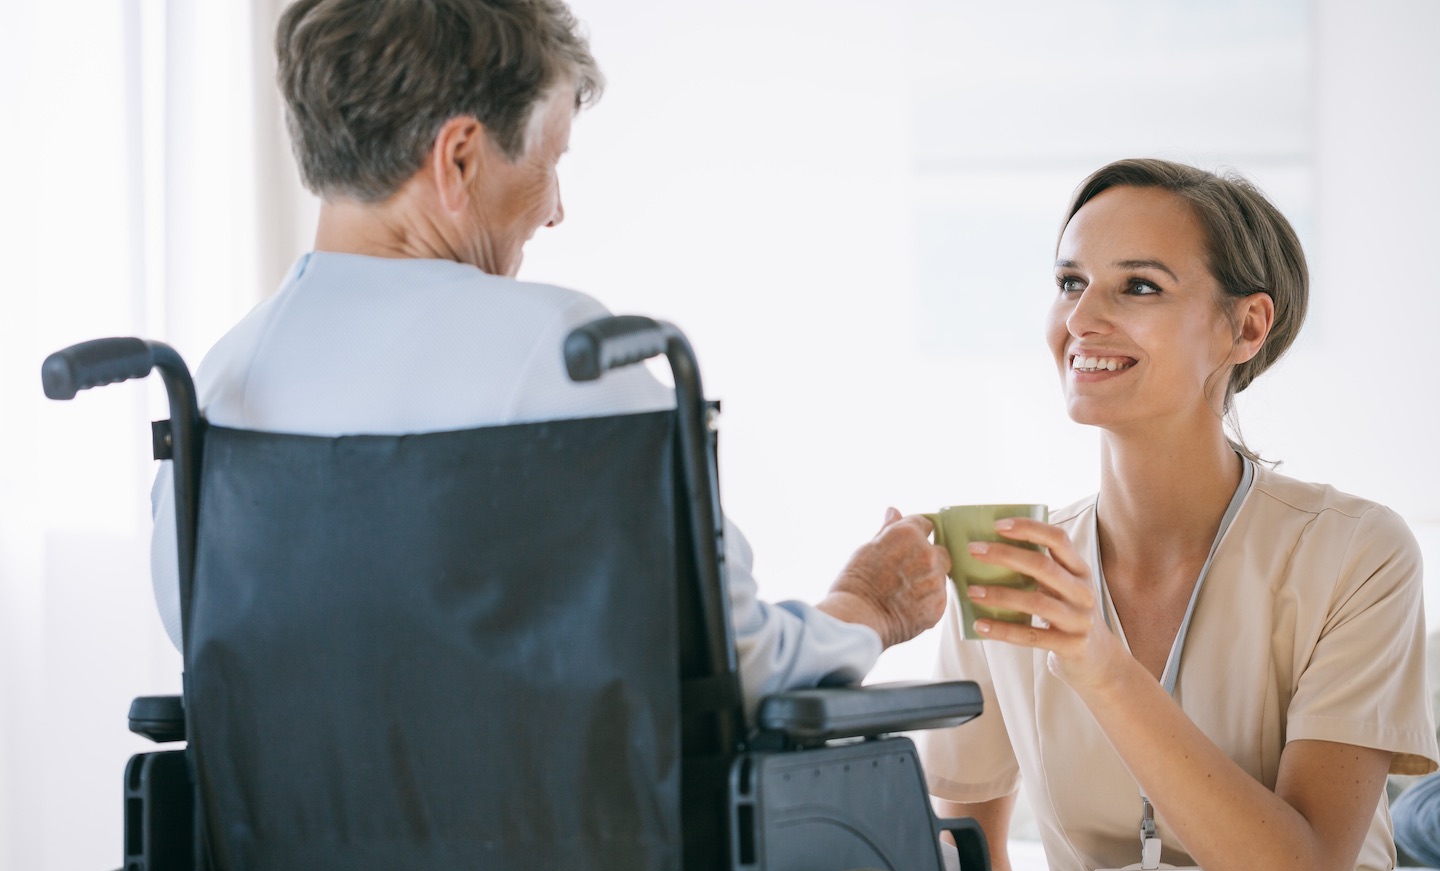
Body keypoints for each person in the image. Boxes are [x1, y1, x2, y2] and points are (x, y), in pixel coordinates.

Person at [148, 0, 950, 723]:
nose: (557, 208)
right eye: (550, 159)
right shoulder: (558, 353)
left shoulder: (221, 389)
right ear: (459, 158)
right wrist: (863, 607)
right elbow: (730, 660)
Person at [921, 158, 1440, 871]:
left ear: (1246, 328)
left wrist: (1099, 665)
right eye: (1069, 282)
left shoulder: (1356, 552)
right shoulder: (1008, 565)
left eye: (1139, 287)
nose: (1082, 317)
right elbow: (965, 849)